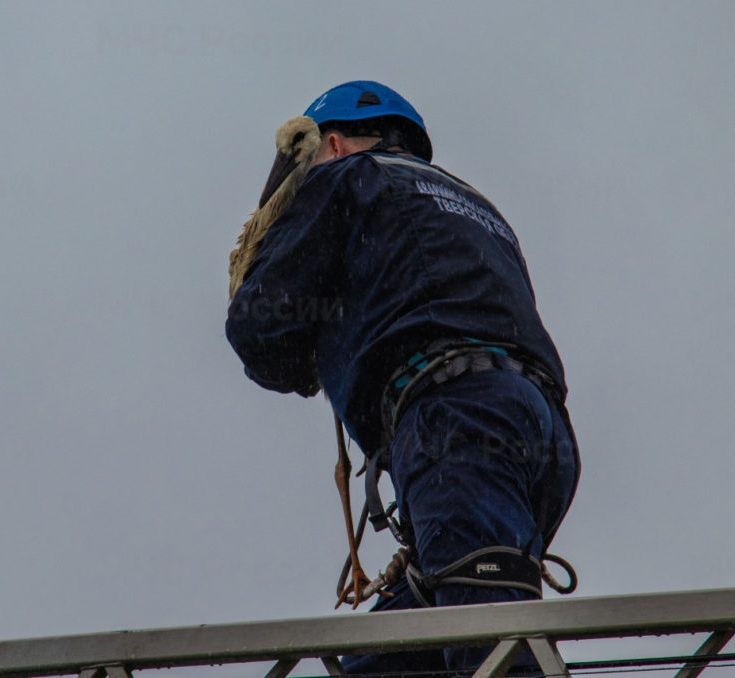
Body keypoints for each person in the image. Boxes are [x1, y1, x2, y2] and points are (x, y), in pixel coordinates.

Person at [226, 80, 580, 676]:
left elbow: (260, 330)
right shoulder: (477, 209)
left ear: (332, 144)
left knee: (492, 644)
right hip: (541, 438)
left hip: (456, 425)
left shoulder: (349, 179)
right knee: (407, 646)